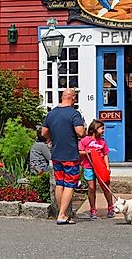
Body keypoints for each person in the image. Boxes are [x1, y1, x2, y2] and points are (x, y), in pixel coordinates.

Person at [41, 89, 86, 225]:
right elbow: (80, 132)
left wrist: (52, 138)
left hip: (56, 154)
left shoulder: (51, 113)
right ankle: (62, 215)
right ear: (72, 98)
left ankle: (62, 213)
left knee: (59, 183)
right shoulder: (74, 113)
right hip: (70, 154)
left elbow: (44, 132)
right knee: (70, 184)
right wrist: (83, 129)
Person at [78, 119, 114, 219]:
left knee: (105, 186)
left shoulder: (102, 141)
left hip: (101, 166)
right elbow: (79, 151)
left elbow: (105, 154)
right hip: (89, 166)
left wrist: (107, 167)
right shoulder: (85, 140)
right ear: (95, 129)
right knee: (91, 187)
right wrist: (88, 152)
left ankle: (110, 207)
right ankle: (93, 209)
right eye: (101, 128)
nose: (103, 131)